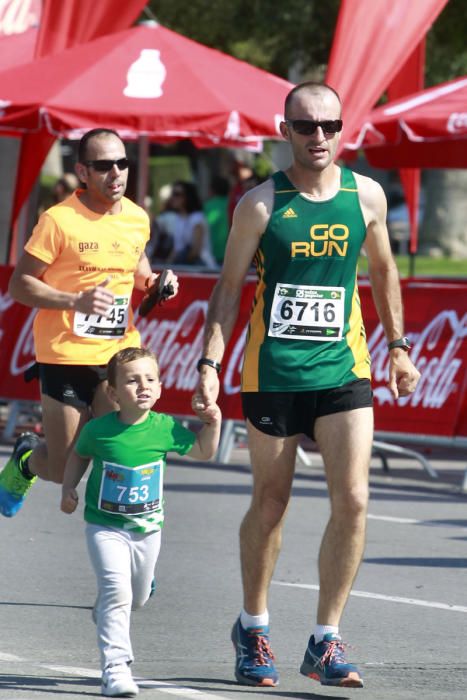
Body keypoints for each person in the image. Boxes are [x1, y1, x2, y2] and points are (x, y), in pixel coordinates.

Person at [194, 82, 421, 689]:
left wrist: (398, 347)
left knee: (354, 499)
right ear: (284, 129)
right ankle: (254, 625)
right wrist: (210, 364)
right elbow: (228, 288)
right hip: (272, 372)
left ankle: (325, 638)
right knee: (272, 503)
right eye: (304, 126)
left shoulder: (365, 195)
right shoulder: (260, 205)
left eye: (328, 125)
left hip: (344, 368)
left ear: (342, 129)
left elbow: (382, 271)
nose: (317, 136)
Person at [0, 127, 178, 518]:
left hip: (118, 354)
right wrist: (74, 300)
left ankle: (133, 542)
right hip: (65, 355)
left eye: (121, 163)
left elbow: (137, 267)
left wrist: (154, 283)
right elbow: (19, 285)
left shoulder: (136, 217)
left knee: (127, 447)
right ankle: (28, 458)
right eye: (102, 166)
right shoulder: (58, 221)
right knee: (64, 468)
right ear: (82, 172)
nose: (115, 174)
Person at [61, 346, 221, 697]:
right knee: (117, 590)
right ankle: (116, 669)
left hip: (147, 530)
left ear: (161, 387)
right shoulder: (99, 430)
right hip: (104, 527)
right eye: (132, 381)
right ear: (114, 394)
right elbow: (79, 454)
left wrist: (213, 422)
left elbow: (203, 451)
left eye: (150, 379)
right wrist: (69, 488)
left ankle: (109, 606)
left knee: (135, 599)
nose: (143, 386)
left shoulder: (164, 428)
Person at [167, 180, 216, 268]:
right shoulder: (178, 218)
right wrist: (167, 265)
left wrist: (178, 263)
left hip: (202, 267)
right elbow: (177, 249)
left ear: (188, 197)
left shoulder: (197, 218)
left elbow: (196, 250)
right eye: (173, 194)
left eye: (177, 194)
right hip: (187, 266)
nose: (173, 197)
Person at [203, 175, 230, 265]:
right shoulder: (235, 203)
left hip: (215, 253)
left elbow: (206, 225)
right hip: (233, 251)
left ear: (212, 190)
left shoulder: (209, 206)